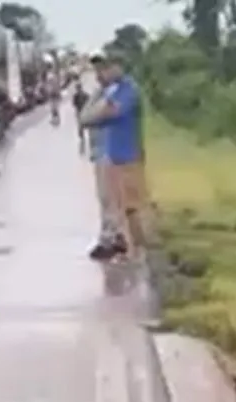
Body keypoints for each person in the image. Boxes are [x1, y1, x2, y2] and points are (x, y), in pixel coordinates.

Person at [82, 53, 151, 261]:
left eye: (105, 68)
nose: (101, 74)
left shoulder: (128, 91)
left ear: (119, 67)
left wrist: (98, 110)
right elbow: (86, 117)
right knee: (116, 204)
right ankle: (124, 245)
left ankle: (136, 251)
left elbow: (106, 114)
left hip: (127, 155)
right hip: (114, 156)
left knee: (130, 207)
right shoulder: (108, 92)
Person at [70, 81, 89, 150]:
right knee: (81, 123)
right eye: (78, 88)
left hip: (81, 111)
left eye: (78, 88)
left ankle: (81, 133)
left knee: (81, 123)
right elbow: (74, 104)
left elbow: (73, 104)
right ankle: (81, 133)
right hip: (81, 111)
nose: (78, 89)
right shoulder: (82, 95)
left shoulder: (81, 95)